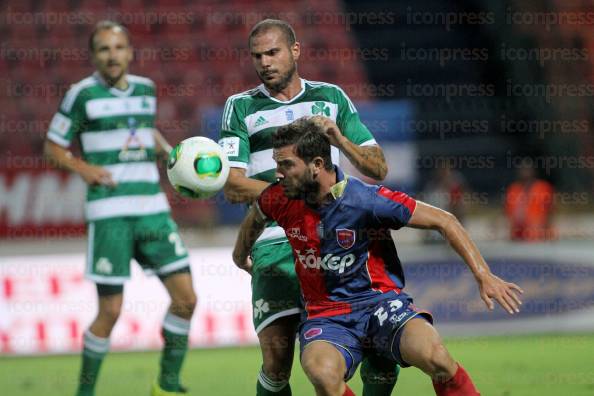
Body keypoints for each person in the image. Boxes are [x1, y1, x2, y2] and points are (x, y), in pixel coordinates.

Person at [233, 118, 524, 396]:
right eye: (276, 165)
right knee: (321, 374)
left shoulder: (366, 200)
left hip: (379, 304)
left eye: (285, 165)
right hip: (326, 314)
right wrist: (239, 256)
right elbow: (256, 215)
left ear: (317, 165)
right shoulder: (279, 197)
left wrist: (483, 274)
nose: (277, 174)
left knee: (437, 357)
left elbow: (445, 220)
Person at [219, 19, 397, 396]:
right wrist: (293, 195)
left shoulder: (331, 98)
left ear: (295, 50)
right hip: (275, 239)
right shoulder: (240, 107)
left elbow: (378, 168)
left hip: (338, 239)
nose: (265, 62)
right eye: (257, 56)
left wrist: (339, 140)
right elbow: (233, 185)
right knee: (276, 360)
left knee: (377, 352)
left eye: (273, 52)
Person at [44, 21, 196, 396]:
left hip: (153, 211)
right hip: (110, 214)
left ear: (130, 52)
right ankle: (84, 392)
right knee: (110, 312)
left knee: (186, 299)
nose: (112, 56)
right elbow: (53, 146)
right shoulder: (81, 95)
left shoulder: (146, 90)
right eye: (104, 49)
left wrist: (172, 153)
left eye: (118, 48)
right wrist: (84, 168)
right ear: (94, 56)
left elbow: (145, 130)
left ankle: (167, 383)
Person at [505, 159, 555, 241]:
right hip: (519, 236)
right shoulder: (513, 189)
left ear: (533, 171)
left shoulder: (543, 188)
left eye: (528, 169)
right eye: (523, 169)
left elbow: (550, 212)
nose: (525, 172)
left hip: (538, 236)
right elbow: (509, 215)